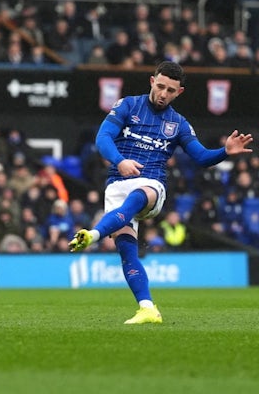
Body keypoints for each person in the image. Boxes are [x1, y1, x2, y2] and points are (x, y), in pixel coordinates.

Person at [68, 61, 253, 324]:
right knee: (127, 252)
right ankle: (147, 308)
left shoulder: (178, 123)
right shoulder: (127, 105)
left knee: (138, 196)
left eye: (171, 90)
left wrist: (225, 151)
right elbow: (103, 138)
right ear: (152, 81)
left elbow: (200, 156)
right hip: (117, 184)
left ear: (180, 93)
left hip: (151, 185)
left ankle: (94, 234)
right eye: (161, 86)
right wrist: (120, 161)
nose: (164, 93)